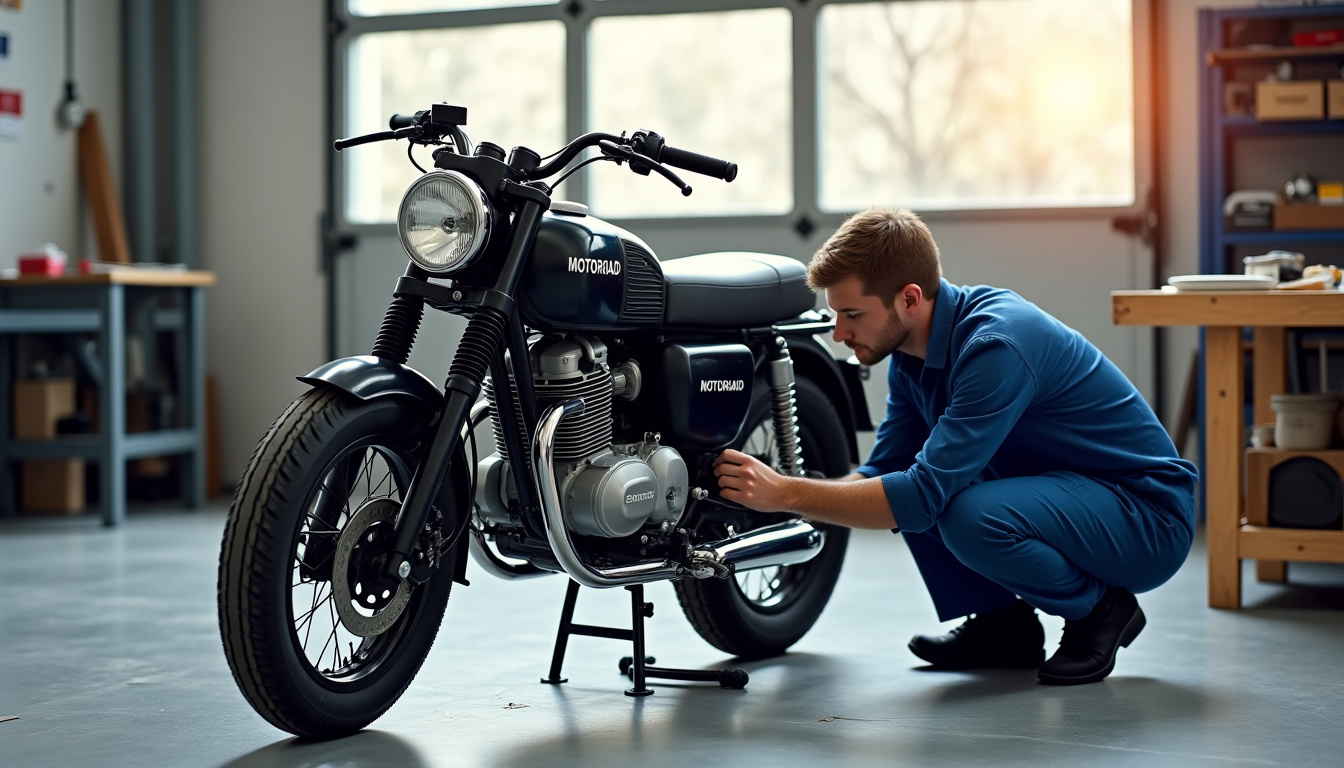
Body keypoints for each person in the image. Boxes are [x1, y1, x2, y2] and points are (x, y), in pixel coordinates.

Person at [714, 208, 1197, 686]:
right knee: (911, 486)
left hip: (1144, 516)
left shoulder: (996, 345)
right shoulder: (910, 356)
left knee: (959, 512)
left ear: (909, 298)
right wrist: (794, 494)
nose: (839, 333)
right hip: (1077, 496)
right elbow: (885, 469)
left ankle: (1101, 611)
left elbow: (919, 496)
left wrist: (785, 493)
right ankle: (1002, 627)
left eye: (853, 314)